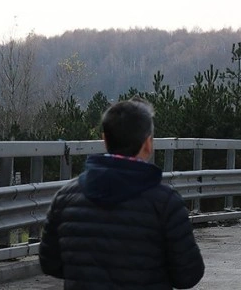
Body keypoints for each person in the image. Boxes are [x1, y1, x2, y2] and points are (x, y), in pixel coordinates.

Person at [39, 98, 205, 289]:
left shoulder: (65, 197)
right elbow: (188, 276)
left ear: (105, 139)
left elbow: (50, 263)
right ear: (148, 144)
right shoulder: (166, 203)